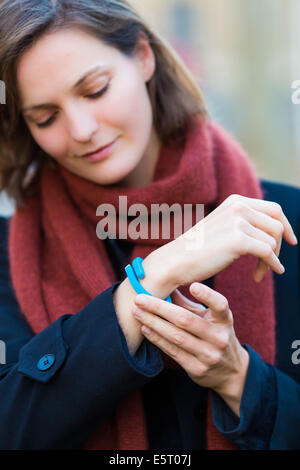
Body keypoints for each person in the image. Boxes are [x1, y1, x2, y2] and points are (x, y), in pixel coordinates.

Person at [0, 0, 299, 450]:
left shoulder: (282, 217)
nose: (81, 129)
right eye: (46, 117)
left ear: (143, 55)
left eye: (95, 90)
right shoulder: (9, 254)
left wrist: (238, 376)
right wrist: (155, 277)